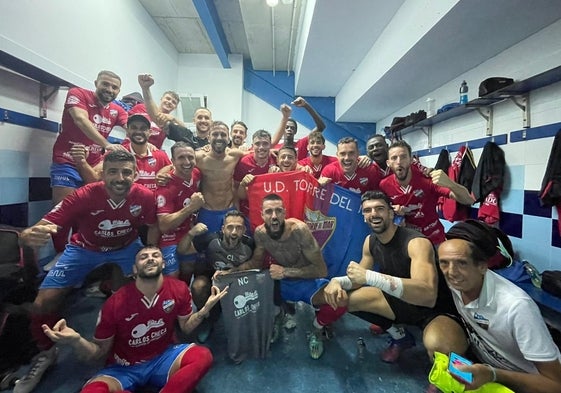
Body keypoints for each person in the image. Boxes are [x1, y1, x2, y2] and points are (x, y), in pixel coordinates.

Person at [16, 151, 159, 393]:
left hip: (126, 248)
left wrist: (149, 252)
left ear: (135, 174)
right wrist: (27, 235)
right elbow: (39, 227)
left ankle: (126, 347)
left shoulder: (145, 196)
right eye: (113, 171)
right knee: (43, 303)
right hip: (84, 248)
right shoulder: (83, 195)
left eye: (126, 172)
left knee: (138, 298)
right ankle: (46, 354)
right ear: (102, 174)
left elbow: (153, 225)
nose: (120, 178)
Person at [40, 245, 227, 393]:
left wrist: (203, 310)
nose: (151, 259)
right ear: (134, 269)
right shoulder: (115, 303)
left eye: (156, 255)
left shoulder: (178, 289)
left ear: (163, 264)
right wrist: (76, 340)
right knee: (93, 390)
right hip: (123, 367)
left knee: (202, 356)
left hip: (162, 357)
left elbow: (185, 328)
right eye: (143, 257)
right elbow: (97, 353)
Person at [322, 191, 467, 367]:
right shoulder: (370, 241)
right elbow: (358, 279)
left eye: (380, 209)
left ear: (391, 213)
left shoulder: (416, 242)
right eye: (368, 210)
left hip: (433, 310)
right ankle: (401, 337)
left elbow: (427, 295)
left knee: (440, 347)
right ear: (364, 216)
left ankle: (444, 380)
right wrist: (337, 282)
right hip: (400, 300)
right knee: (343, 299)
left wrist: (370, 276)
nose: (373, 214)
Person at [437, 220, 561, 393]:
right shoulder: (456, 284)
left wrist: (493, 374)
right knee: (437, 339)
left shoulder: (516, 307)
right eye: (444, 263)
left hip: (529, 382)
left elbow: (555, 385)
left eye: (462, 263)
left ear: (482, 266)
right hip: (487, 368)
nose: (451, 272)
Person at [225, 194, 345, 360]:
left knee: (340, 300)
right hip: (281, 285)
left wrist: (287, 272)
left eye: (278, 211)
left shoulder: (299, 230)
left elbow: (321, 270)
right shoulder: (260, 233)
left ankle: (317, 329)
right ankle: (277, 315)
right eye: (269, 212)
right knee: (252, 289)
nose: (273, 216)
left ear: (284, 213)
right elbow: (256, 263)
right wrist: (232, 271)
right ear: (262, 215)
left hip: (307, 281)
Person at [51, 70, 128, 206]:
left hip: (94, 167)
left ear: (118, 91)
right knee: (63, 210)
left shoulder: (117, 110)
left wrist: (146, 142)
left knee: (91, 211)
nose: (109, 89)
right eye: (105, 84)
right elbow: (80, 119)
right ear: (96, 83)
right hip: (67, 160)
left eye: (114, 87)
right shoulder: (78, 93)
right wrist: (106, 144)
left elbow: (133, 128)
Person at [379, 140, 474, 245]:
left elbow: (468, 200)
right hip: (407, 241)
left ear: (411, 159)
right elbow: (384, 212)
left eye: (403, 157)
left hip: (434, 239)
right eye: (394, 158)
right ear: (388, 163)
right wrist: (394, 212)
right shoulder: (384, 185)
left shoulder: (428, 179)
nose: (399, 161)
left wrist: (450, 183)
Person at [71, 110, 171, 191]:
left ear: (150, 132)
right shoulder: (116, 154)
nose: (138, 131)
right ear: (127, 131)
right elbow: (94, 179)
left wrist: (166, 173)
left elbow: (175, 174)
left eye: (143, 128)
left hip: (150, 209)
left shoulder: (161, 156)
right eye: (134, 128)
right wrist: (82, 162)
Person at [155, 141, 203, 279]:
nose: (187, 161)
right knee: (172, 277)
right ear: (173, 161)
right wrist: (190, 208)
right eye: (181, 157)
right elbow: (164, 226)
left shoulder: (196, 174)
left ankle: (184, 298)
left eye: (190, 157)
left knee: (189, 270)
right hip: (169, 238)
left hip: (188, 233)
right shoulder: (165, 186)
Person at [139, 73, 211, 149]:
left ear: (211, 121)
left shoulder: (217, 141)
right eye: (199, 117)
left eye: (206, 118)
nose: (203, 120)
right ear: (194, 121)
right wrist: (146, 89)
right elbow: (157, 118)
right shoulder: (188, 136)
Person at [234, 129, 279, 217]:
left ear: (270, 146)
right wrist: (243, 184)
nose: (261, 147)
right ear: (252, 146)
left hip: (271, 212)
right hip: (248, 212)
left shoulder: (276, 159)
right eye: (257, 144)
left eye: (265, 143)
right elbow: (236, 191)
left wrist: (278, 174)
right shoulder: (244, 162)